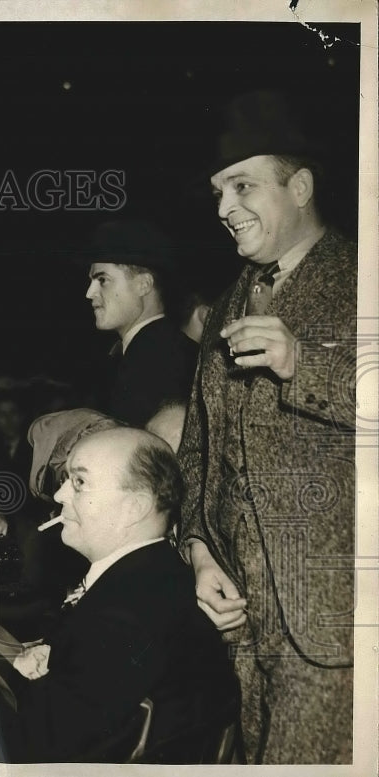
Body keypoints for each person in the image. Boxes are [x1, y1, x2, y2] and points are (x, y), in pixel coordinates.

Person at [178, 90, 357, 764]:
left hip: (337, 628)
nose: (224, 207)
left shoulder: (361, 279)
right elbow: (199, 448)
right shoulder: (226, 302)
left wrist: (301, 362)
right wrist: (198, 548)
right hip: (243, 629)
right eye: (219, 190)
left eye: (243, 185)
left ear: (301, 186)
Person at [0, 428, 239, 763]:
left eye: (79, 482)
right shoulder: (155, 575)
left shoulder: (121, 618)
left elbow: (27, 754)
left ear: (134, 508)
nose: (58, 495)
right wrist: (40, 659)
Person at [82, 219, 197, 428]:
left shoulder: (155, 362)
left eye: (102, 280)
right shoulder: (159, 351)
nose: (89, 293)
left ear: (143, 284)